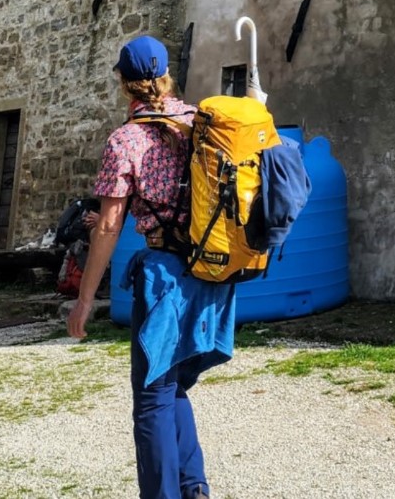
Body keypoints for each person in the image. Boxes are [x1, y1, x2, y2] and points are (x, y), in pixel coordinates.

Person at [69, 37, 234, 499]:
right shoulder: (203, 124)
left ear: (124, 84)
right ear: (166, 74)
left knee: (152, 395)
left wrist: (85, 299)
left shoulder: (126, 140)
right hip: (212, 270)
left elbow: (108, 226)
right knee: (175, 380)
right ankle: (193, 486)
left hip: (164, 276)